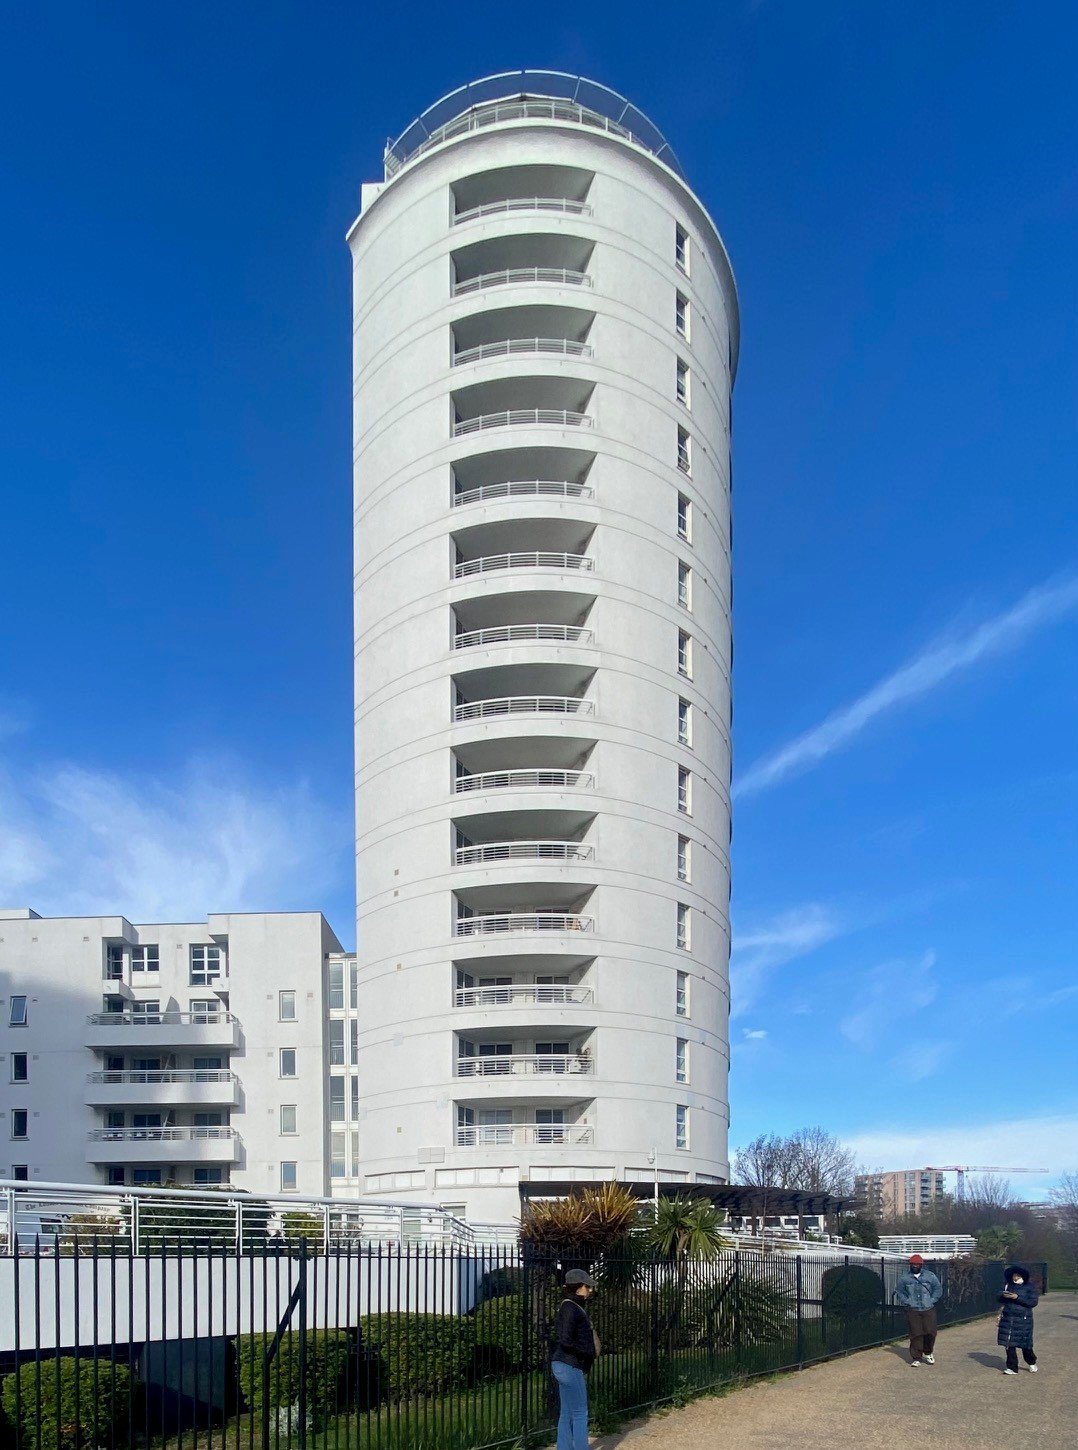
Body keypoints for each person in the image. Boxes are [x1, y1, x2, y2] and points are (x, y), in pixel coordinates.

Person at [550, 1268, 599, 1450]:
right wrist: (587, 1352)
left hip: (564, 1364)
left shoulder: (570, 1306)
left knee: (567, 1412)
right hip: (570, 1365)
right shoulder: (570, 1308)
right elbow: (565, 1339)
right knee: (580, 1412)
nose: (590, 1290)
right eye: (587, 1286)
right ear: (578, 1287)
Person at [893, 1253, 943, 1366]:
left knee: (930, 1332)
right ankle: (917, 1357)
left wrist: (932, 1300)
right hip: (913, 1309)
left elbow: (938, 1288)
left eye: (917, 1264)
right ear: (910, 1265)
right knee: (916, 1334)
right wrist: (907, 1301)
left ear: (921, 1265)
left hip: (928, 1308)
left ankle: (928, 1352)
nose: (915, 1266)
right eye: (913, 1264)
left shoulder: (930, 1276)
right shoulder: (904, 1278)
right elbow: (900, 1291)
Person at [997, 1264, 1039, 1374]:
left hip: (1023, 1320)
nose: (1015, 1277)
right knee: (1008, 1344)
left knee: (1025, 1345)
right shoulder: (1008, 1285)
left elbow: (1033, 1302)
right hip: (1008, 1319)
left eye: (1017, 1275)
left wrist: (1017, 1298)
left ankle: (1031, 1362)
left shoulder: (1029, 1287)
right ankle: (1012, 1367)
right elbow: (999, 1298)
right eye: (1014, 1275)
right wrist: (1003, 1295)